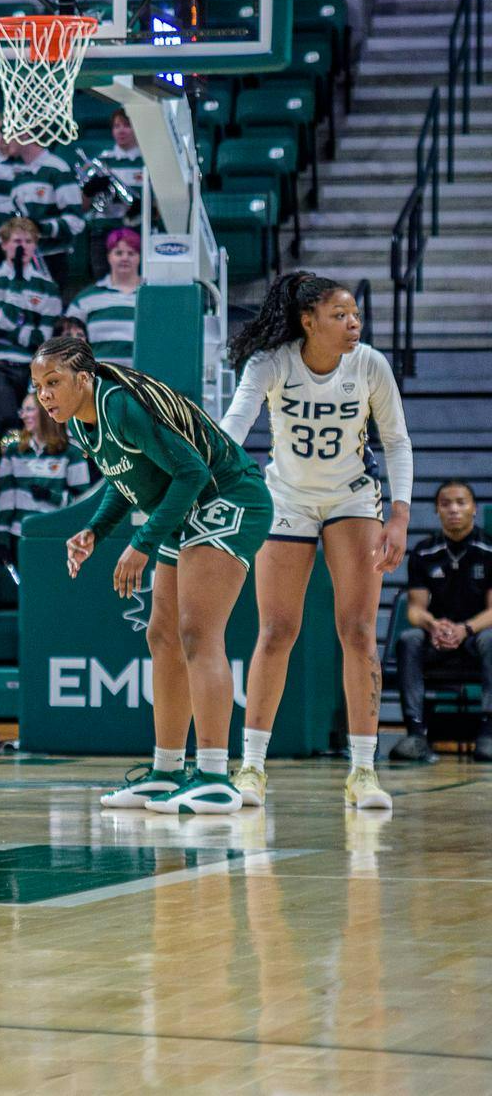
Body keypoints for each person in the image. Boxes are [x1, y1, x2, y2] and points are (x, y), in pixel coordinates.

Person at [35, 334, 272, 815]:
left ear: (84, 379)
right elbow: (126, 478)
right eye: (38, 386)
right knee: (162, 636)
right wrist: (96, 531)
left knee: (198, 633)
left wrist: (141, 544)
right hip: (185, 506)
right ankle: (166, 771)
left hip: (229, 495)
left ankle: (214, 777)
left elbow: (193, 473)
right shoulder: (80, 424)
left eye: (53, 382)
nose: (44, 395)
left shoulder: (120, 406)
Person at [219, 271, 413, 810]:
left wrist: (399, 516)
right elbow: (236, 423)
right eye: (340, 315)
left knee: (358, 631)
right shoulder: (271, 362)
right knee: (276, 630)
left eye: (355, 315)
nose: (353, 324)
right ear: (308, 321)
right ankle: (252, 767)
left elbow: (396, 441)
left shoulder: (369, 364)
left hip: (352, 497)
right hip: (287, 499)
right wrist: (213, 475)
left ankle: (363, 771)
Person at [392, 480, 492, 762]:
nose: (454, 509)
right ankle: (415, 733)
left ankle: (488, 732)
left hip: (475, 637)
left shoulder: (488, 550)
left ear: (473, 508)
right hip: (438, 637)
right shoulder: (424, 552)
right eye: (446, 504)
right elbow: (415, 610)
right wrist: (433, 625)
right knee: (409, 640)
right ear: (437, 510)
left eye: (461, 502)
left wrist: (465, 629)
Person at [0, 216, 62, 429]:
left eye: (28, 241)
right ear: (4, 244)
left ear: (35, 245)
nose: (22, 247)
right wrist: (16, 280)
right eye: (16, 241)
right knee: (7, 421)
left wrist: (8, 332)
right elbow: (2, 319)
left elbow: (42, 337)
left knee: (34, 424)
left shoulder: (48, 287)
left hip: (31, 365)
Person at [0, 392, 91, 557]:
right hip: (20, 534)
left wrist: (51, 496)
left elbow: (83, 503)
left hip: (54, 536)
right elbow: (6, 499)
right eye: (22, 411)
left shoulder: (72, 453)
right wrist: (2, 537)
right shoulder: (13, 451)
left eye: (29, 410)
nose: (23, 416)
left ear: (46, 412)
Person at [0, 133, 86, 279]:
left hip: (52, 258)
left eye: (10, 135)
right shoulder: (20, 173)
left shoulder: (57, 169)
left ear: (24, 135)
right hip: (24, 261)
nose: (5, 140)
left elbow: (76, 221)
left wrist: (41, 228)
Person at [66, 227, 143, 362]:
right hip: (99, 373)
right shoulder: (85, 299)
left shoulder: (153, 297)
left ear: (140, 257)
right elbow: (68, 346)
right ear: (109, 256)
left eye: (131, 253)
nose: (125, 258)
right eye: (118, 253)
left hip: (141, 374)